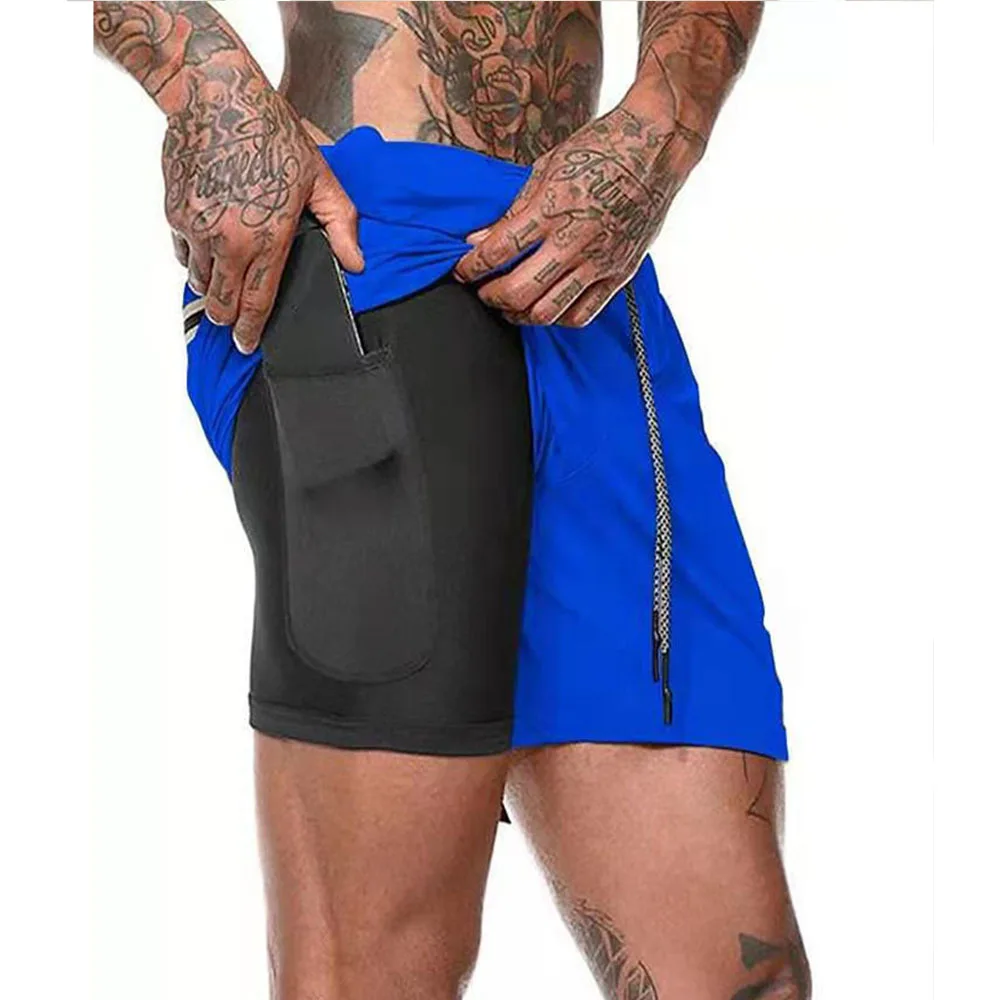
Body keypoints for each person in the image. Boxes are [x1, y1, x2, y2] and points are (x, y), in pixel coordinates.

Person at [93, 3, 808, 998]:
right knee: (376, 974)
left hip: (589, 273)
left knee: (738, 979)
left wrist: (663, 121)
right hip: (370, 249)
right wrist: (203, 78)